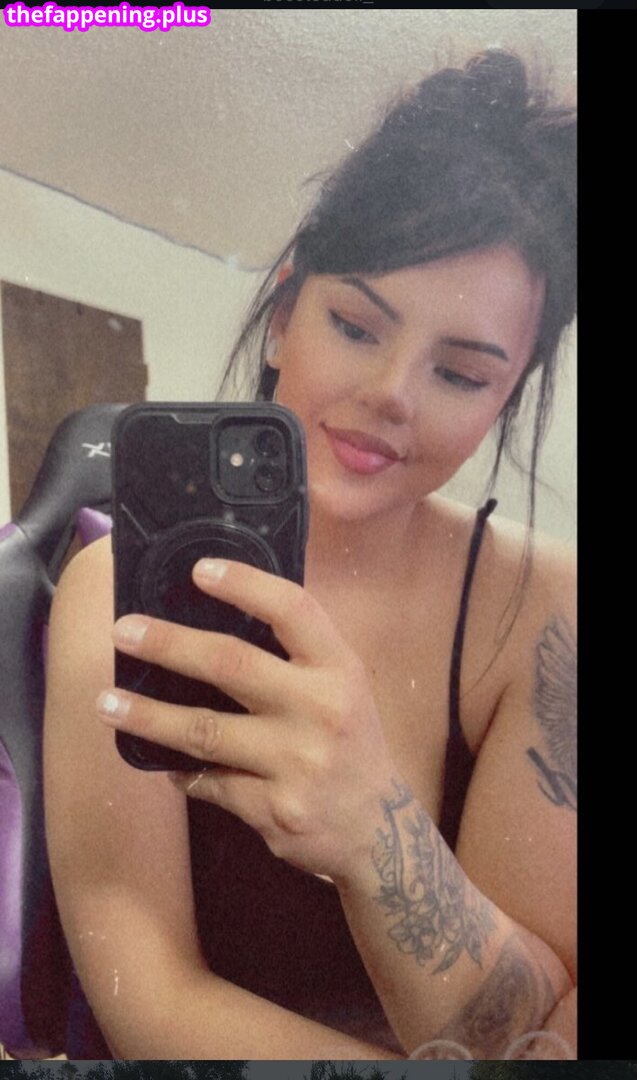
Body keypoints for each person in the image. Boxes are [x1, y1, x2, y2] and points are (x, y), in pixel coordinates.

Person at [44, 48, 577, 1060]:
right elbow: (147, 996)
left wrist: (376, 831)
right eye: (354, 325)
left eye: (461, 375)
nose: (391, 395)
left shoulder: (544, 607)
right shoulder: (113, 592)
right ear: (283, 314)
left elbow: (546, 1018)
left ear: (506, 396)